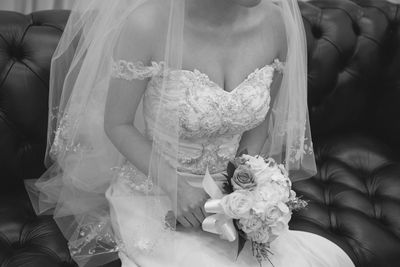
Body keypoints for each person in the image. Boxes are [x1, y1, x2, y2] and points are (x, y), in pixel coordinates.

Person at [25, 0, 354, 266]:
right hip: (157, 186)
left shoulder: (276, 23)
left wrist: (245, 183)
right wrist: (174, 185)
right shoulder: (148, 23)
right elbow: (118, 124)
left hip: (227, 194)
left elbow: (260, 119)